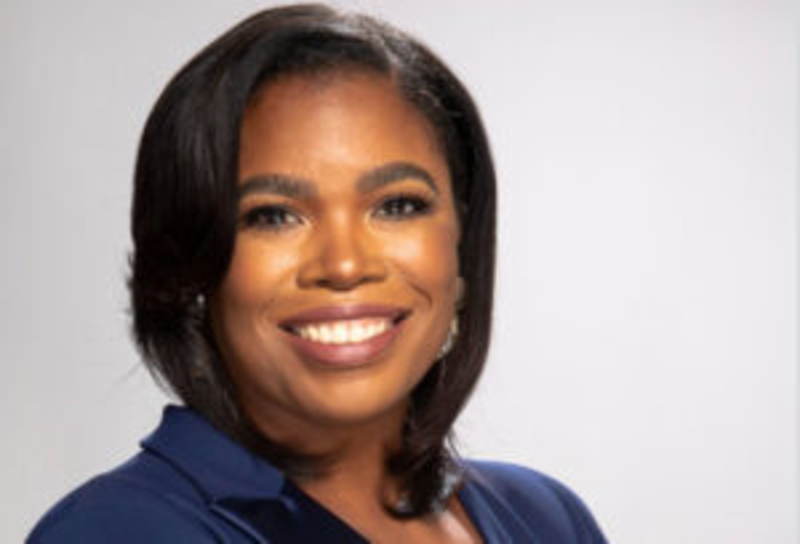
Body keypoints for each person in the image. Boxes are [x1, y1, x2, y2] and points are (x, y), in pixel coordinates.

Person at [28, 4, 606, 543]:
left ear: (460, 238)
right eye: (274, 216)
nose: (345, 265)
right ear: (193, 267)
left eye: (397, 205)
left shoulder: (546, 518)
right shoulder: (122, 530)